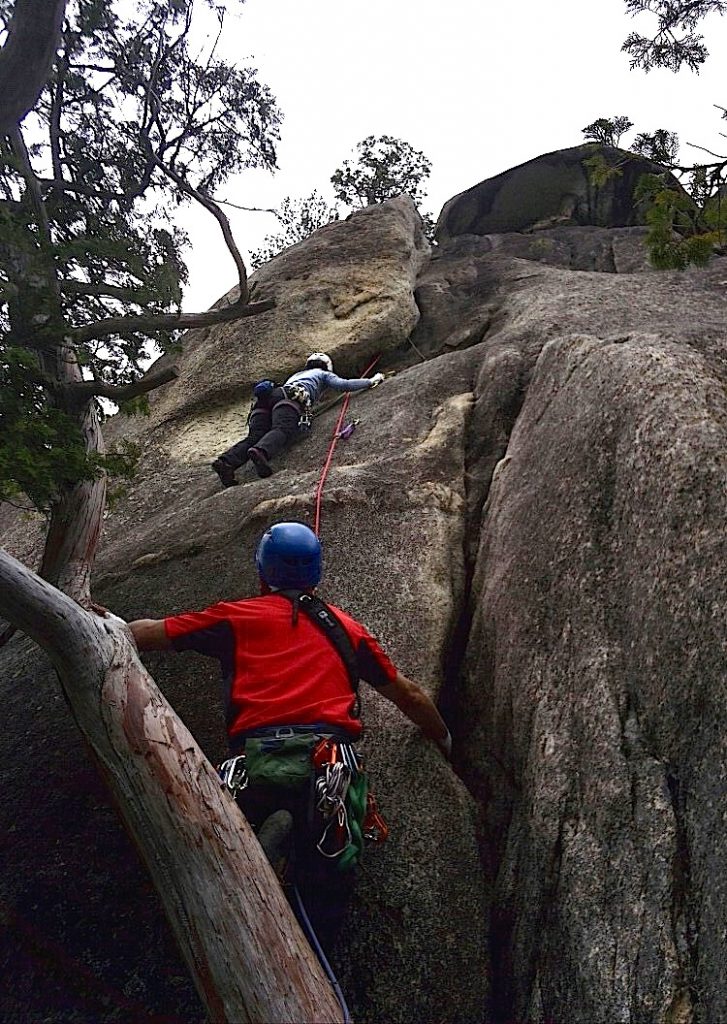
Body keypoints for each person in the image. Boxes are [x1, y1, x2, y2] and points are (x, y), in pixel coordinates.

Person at [127, 521, 450, 946]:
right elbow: (407, 694)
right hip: (328, 762)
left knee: (227, 855)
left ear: (263, 572)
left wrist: (110, 624)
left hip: (253, 756)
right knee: (332, 871)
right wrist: (443, 737)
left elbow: (150, 633)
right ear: (316, 574)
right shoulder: (345, 628)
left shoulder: (234, 617)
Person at [211, 352, 385, 486]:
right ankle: (261, 452)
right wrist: (371, 381)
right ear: (327, 365)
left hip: (265, 400)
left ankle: (226, 463)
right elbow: (344, 385)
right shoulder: (321, 374)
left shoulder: (295, 375)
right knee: (282, 428)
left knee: (254, 436)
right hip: (287, 398)